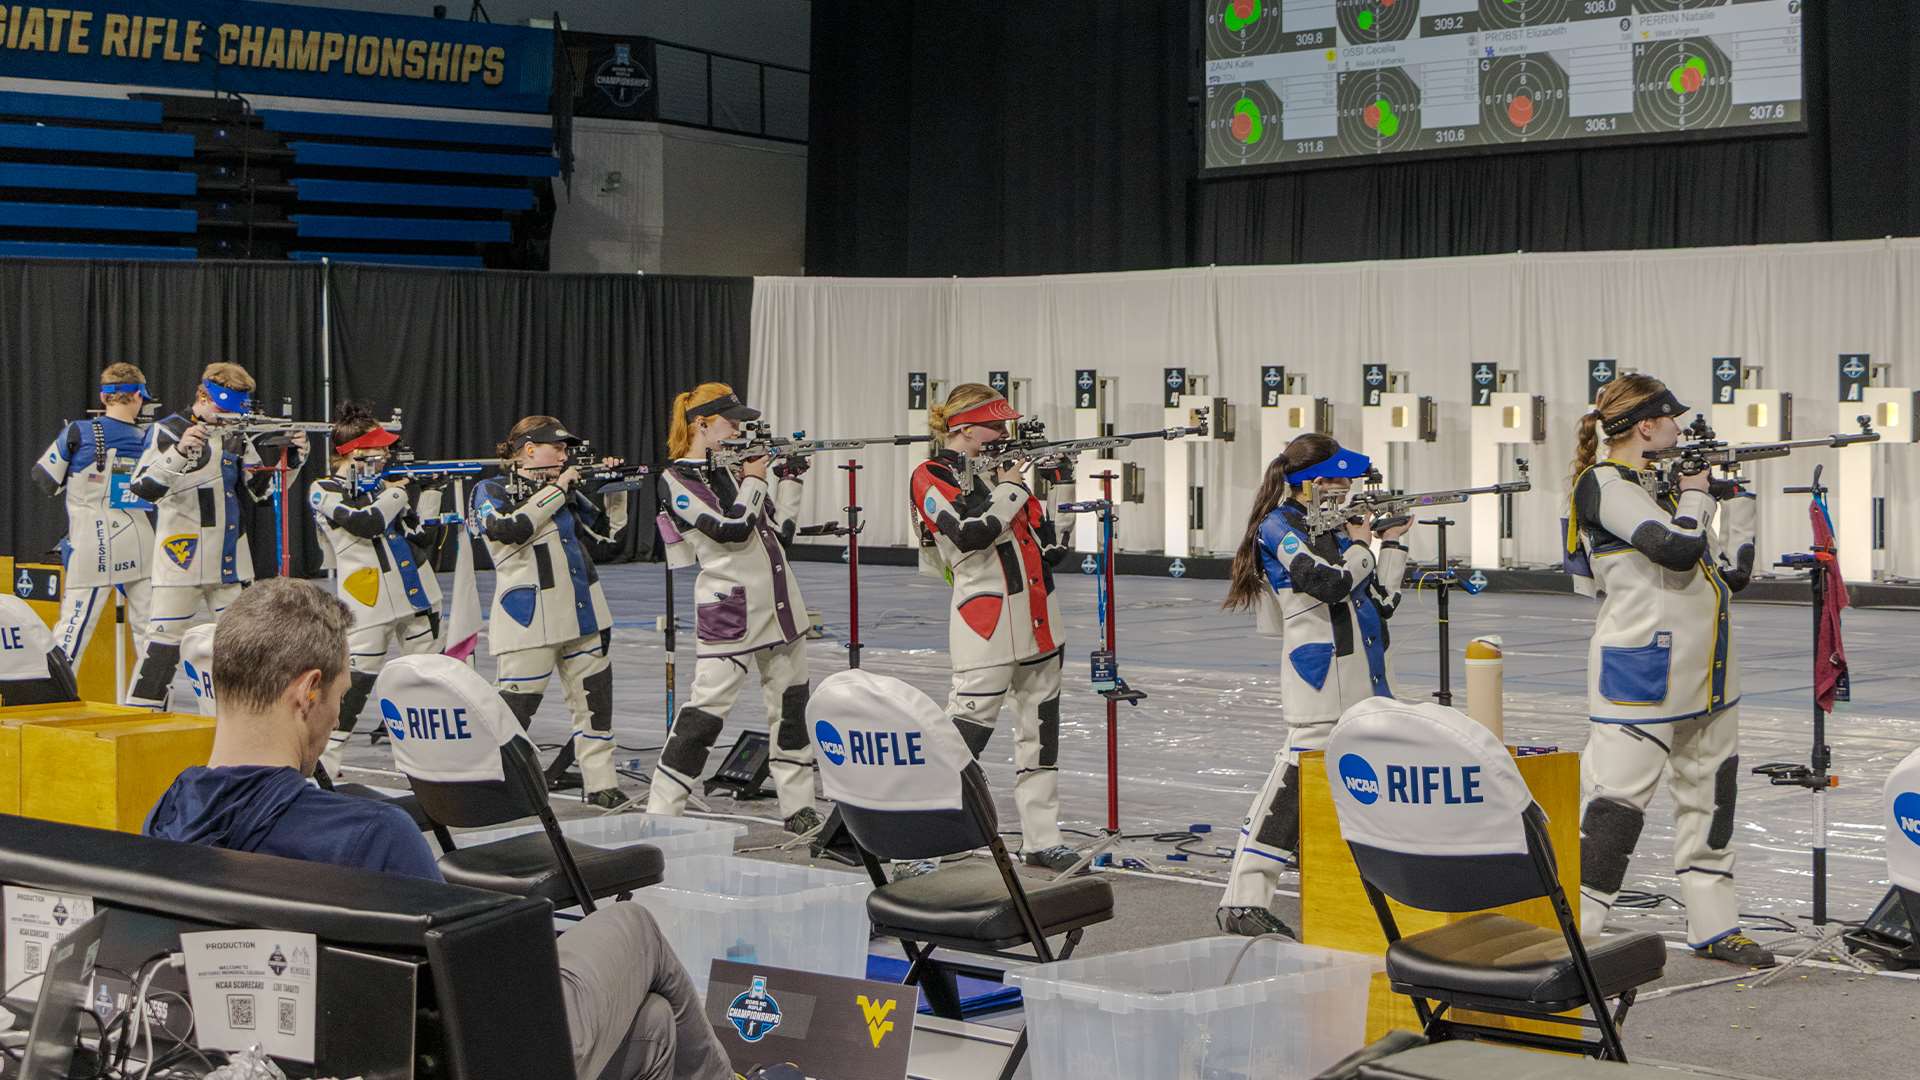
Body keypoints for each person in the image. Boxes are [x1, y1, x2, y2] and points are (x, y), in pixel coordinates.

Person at [142, 579, 732, 1080]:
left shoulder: (164, 815)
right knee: (631, 924)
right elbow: (467, 1007)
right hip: (463, 1062)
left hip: (274, 1055)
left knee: (654, 1026)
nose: (332, 722)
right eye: (339, 700)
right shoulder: (370, 835)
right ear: (308, 691)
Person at [1566, 374, 1773, 967]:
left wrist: (1736, 504)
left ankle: (1715, 925)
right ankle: (1577, 935)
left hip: (1706, 679)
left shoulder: (1657, 488)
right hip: (1640, 680)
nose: (1681, 430)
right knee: (1614, 809)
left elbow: (1731, 575)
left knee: (1712, 802)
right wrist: (1697, 496)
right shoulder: (1603, 484)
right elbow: (1675, 548)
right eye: (1672, 420)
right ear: (1646, 425)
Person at [1215, 434, 1409, 937]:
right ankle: (1242, 897)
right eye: (1339, 480)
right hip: (1321, 676)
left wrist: (1395, 542)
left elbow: (1381, 602)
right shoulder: (1279, 526)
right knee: (1292, 780)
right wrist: (1364, 543)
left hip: (1362, 675)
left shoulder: (1337, 529)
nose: (1347, 489)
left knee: (1358, 777)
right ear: (1314, 482)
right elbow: (1328, 584)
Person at [908, 383, 1078, 872]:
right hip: (986, 621)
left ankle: (1042, 839)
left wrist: (1055, 487)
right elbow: (969, 534)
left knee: (1040, 735)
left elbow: (1048, 548)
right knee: (964, 736)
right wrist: (1011, 487)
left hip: (1041, 620)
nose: (1004, 434)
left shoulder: (1001, 477)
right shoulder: (930, 474)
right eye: (994, 426)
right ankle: (925, 840)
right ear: (962, 430)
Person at [647, 384, 821, 836]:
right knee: (705, 713)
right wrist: (756, 478)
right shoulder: (676, 478)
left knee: (792, 710)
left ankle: (798, 805)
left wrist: (791, 480)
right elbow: (733, 530)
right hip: (730, 611)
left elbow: (778, 535)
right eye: (731, 422)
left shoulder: (729, 471)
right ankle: (662, 811)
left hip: (780, 605)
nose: (740, 429)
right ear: (701, 424)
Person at [468, 417, 631, 808]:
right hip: (529, 619)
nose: (563, 455)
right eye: (555, 448)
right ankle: (488, 791)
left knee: (594, 706)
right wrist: (558, 489)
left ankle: (601, 784)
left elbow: (609, 534)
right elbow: (511, 528)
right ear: (528, 450)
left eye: (564, 450)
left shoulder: (563, 490)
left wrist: (615, 488)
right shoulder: (490, 489)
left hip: (584, 614)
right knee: (514, 711)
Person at [126, 363, 306, 709]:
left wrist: (292, 460)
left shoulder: (234, 434)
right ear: (203, 396)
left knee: (244, 648)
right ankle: (140, 716)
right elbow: (141, 488)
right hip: (181, 558)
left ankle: (241, 722)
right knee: (162, 647)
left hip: (231, 561)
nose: (228, 416)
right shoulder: (168, 430)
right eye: (223, 408)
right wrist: (178, 454)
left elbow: (262, 493)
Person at [309, 402, 445, 778]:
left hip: (418, 596)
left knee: (427, 684)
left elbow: (423, 539)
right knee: (350, 689)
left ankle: (428, 764)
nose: (385, 455)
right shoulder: (322, 489)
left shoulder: (384, 487)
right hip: (367, 604)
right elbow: (365, 523)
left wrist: (431, 494)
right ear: (352, 452)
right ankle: (325, 764)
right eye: (377, 449)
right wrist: (398, 493)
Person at [31, 363, 157, 685]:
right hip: (140, 540)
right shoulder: (151, 438)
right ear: (139, 398)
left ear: (104, 396)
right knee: (151, 633)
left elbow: (45, 480)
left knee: (72, 629)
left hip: (91, 542)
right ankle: (150, 706)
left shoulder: (78, 431)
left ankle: (55, 699)